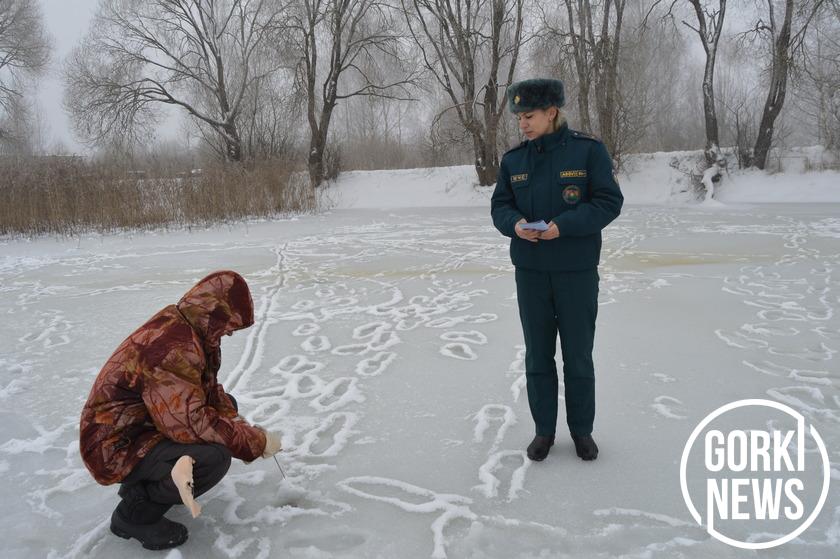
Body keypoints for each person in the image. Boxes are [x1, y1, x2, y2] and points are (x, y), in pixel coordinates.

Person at [79, 270, 283, 550]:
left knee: (226, 410)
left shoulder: (192, 330)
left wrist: (237, 422)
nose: (232, 331)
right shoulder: (172, 348)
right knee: (214, 457)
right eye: (230, 323)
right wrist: (254, 442)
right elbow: (189, 423)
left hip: (140, 426)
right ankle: (135, 515)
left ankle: (141, 485)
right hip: (114, 447)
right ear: (216, 312)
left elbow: (207, 391)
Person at [491, 78, 623, 462]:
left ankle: (582, 431)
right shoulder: (514, 160)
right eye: (519, 118)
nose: (523, 124)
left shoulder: (588, 152)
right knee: (537, 355)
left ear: (552, 113)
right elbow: (500, 206)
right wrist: (514, 224)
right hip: (530, 272)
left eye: (529, 116)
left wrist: (563, 225)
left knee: (578, 355)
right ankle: (544, 431)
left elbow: (608, 201)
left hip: (576, 272)